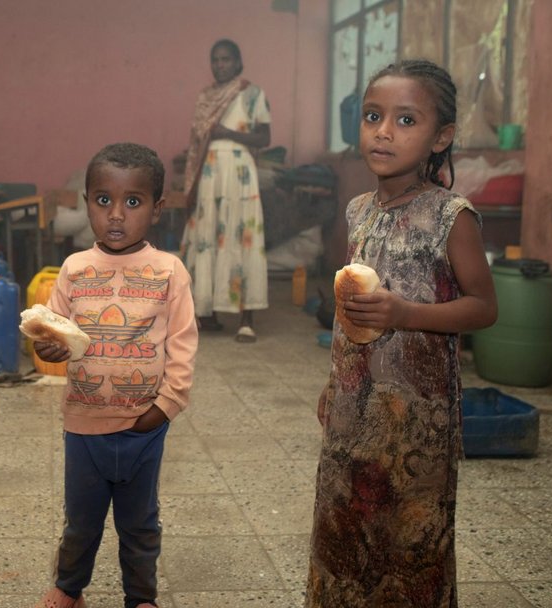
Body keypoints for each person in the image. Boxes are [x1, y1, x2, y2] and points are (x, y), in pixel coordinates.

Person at [305, 59, 498, 607]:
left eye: (406, 120)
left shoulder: (451, 217)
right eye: (373, 116)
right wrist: (334, 380)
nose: (384, 131)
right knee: (344, 533)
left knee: (409, 546)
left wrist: (405, 314)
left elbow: (484, 307)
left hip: (418, 425)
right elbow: (351, 309)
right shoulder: (358, 209)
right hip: (352, 408)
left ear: (441, 137)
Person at [33, 143, 198, 608]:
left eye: (133, 201)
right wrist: (49, 346)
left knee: (140, 522)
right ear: (87, 202)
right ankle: (69, 588)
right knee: (80, 521)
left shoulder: (169, 272)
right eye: (103, 200)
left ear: (157, 208)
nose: (116, 215)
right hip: (83, 425)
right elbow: (56, 332)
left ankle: (140, 596)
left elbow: (183, 346)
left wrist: (164, 407)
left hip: (144, 427)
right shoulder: (74, 269)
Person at [180, 38, 271, 343]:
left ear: (238, 62)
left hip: (239, 174)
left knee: (241, 236)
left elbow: (264, 138)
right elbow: (196, 143)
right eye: (215, 60)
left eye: (226, 59)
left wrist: (228, 133)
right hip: (209, 172)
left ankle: (247, 319)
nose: (220, 65)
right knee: (208, 237)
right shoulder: (205, 97)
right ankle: (209, 312)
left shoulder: (252, 93)